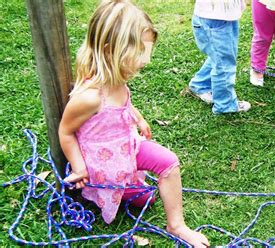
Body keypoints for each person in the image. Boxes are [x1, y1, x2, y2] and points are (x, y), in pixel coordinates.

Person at [58, 1, 209, 246]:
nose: (145, 60)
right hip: (105, 164)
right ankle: (116, 191)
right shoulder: (89, 97)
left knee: (168, 162)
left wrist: (137, 117)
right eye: (140, 52)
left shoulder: (115, 77)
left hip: (128, 146)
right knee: (145, 198)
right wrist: (78, 167)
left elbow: (122, 104)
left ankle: (177, 225)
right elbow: (66, 131)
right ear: (110, 51)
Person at [189, 0, 251, 114]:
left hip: (221, 18)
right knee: (224, 64)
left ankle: (200, 84)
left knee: (219, 58)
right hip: (215, 22)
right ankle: (225, 105)